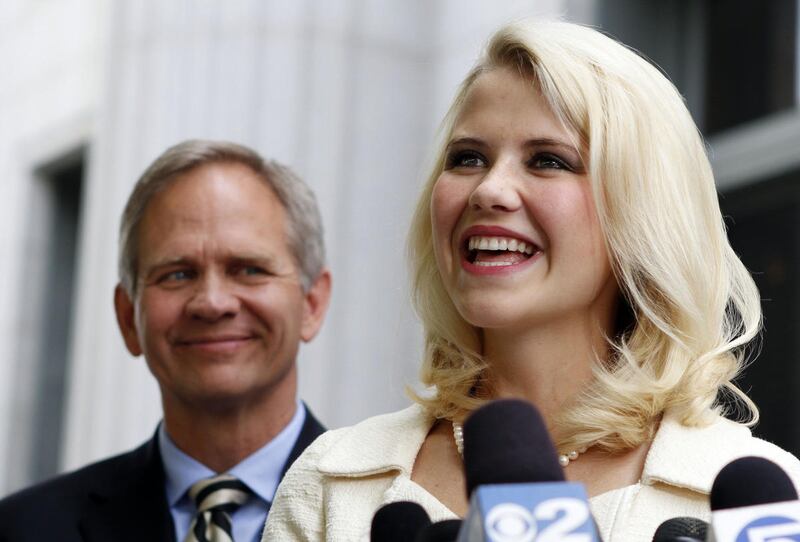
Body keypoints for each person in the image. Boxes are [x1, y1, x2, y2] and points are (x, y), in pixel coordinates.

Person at [263, 19, 800, 541]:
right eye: (468, 158)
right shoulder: (333, 482)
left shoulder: (762, 504)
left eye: (548, 160)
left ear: (642, 213)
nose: (489, 190)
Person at [0, 140, 332, 542]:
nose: (212, 303)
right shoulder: (22, 529)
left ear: (312, 303)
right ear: (128, 317)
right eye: (178, 274)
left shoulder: (384, 513)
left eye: (248, 269)